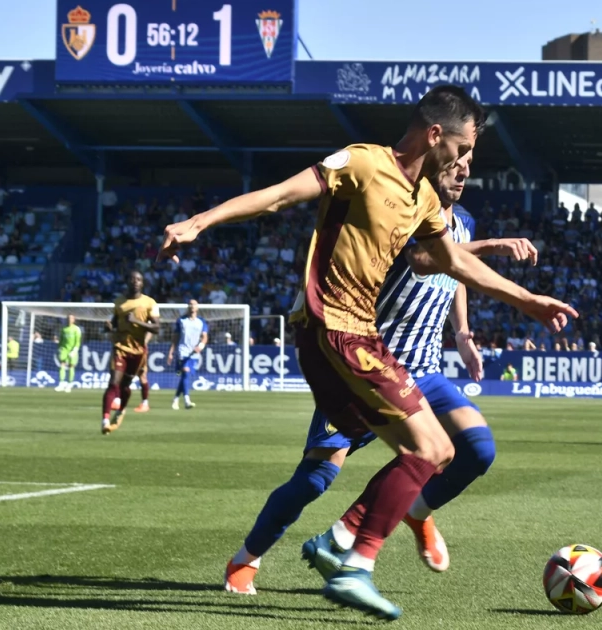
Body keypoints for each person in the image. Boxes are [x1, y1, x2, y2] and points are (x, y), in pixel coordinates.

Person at [159, 85, 575, 620]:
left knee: (441, 451)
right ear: (435, 135)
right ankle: (327, 557)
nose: (466, 160)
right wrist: (200, 221)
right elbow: (281, 195)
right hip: (337, 332)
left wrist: (528, 302)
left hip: (374, 348)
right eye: (463, 148)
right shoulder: (361, 163)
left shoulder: (427, 200)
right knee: (393, 458)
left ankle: (352, 546)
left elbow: (455, 263)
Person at [225, 150, 537, 596]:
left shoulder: (464, 220)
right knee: (315, 479)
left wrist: (464, 331)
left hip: (425, 369)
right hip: (368, 365)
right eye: (455, 166)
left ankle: (414, 512)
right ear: (436, 162)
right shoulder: (408, 206)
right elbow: (425, 259)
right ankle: (246, 558)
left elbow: (457, 274)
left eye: (468, 169)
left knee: (477, 448)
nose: (462, 174)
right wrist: (493, 247)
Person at [102, 270, 160, 435]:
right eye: (132, 278)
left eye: (138, 279)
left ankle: (121, 411)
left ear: (142, 283)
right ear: (127, 281)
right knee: (114, 383)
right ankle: (105, 420)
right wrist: (108, 328)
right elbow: (114, 324)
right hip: (120, 348)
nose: (135, 281)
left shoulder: (150, 303)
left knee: (125, 386)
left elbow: (156, 327)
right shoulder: (119, 302)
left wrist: (136, 322)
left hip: (138, 351)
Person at [167, 299, 208, 410]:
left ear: (197, 307)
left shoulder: (201, 322)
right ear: (188, 307)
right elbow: (175, 337)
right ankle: (187, 401)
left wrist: (200, 346)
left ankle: (175, 399)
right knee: (185, 372)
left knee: (185, 376)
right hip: (182, 351)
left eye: (194, 304)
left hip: (194, 353)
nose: (192, 306)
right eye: (190, 304)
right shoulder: (181, 320)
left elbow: (204, 337)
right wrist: (171, 351)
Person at [55, 315, 82, 392]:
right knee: (62, 364)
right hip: (64, 349)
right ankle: (61, 383)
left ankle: (70, 383)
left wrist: (74, 350)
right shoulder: (64, 329)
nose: (69, 320)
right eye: (68, 318)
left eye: (70, 318)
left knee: (71, 366)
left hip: (72, 350)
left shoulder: (76, 329)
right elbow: (61, 339)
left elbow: (78, 341)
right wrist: (59, 347)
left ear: (74, 320)